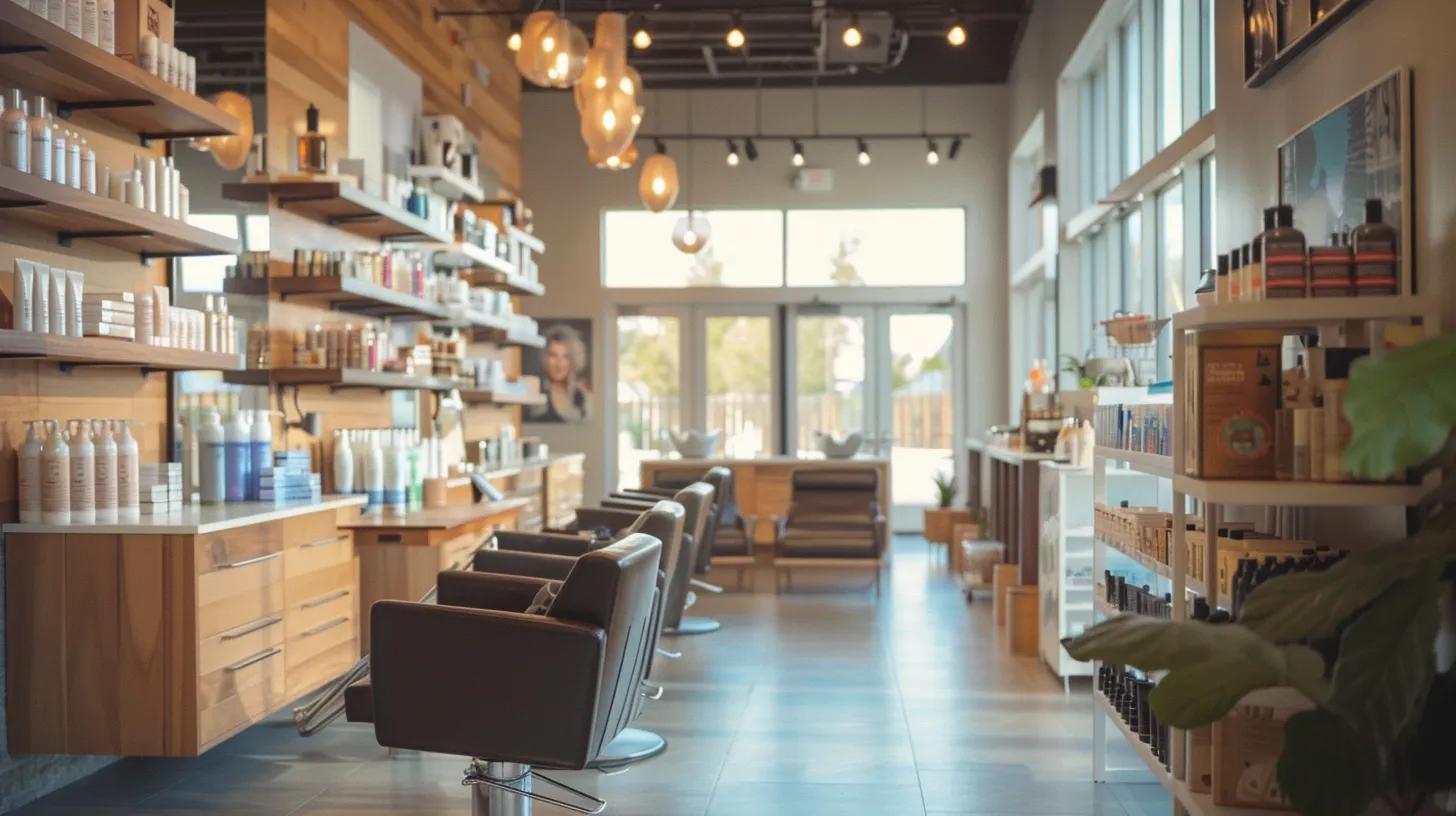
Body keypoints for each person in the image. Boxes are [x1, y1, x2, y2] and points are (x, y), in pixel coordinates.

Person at [529, 323, 591, 423]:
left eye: (565, 356)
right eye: (553, 355)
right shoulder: (536, 391)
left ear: (573, 359)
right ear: (544, 357)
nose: (559, 364)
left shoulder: (581, 395)